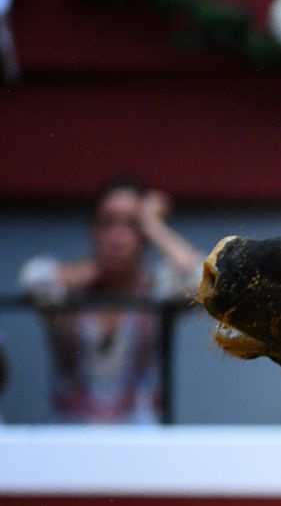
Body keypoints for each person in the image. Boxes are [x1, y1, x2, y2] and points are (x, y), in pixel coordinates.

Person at [18, 176, 202, 423]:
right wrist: (96, 269)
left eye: (131, 224)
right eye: (107, 223)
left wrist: (154, 225)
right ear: (93, 229)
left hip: (141, 439)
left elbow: (202, 280)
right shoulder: (68, 289)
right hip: (70, 437)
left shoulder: (155, 288)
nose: (118, 236)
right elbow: (33, 278)